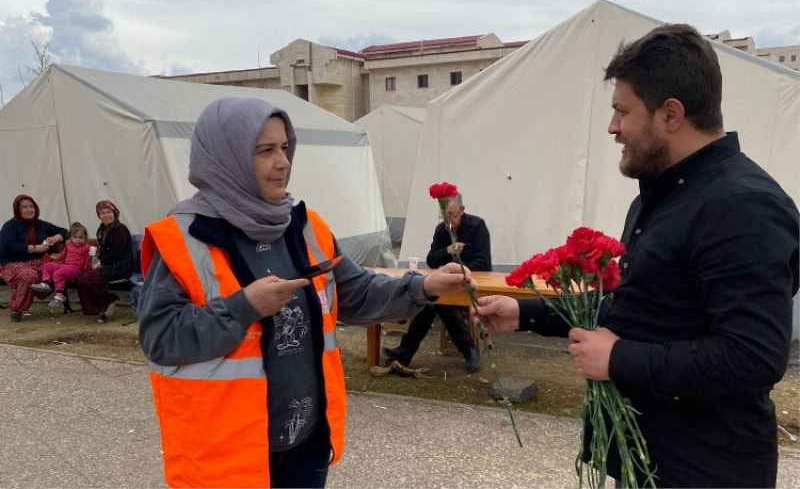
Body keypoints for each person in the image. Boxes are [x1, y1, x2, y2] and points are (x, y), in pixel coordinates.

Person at [475, 24, 799, 488]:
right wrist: (522, 313)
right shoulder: (661, 196)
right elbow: (637, 307)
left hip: (707, 470)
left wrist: (621, 359)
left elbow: (753, 355)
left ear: (670, 114)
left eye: (621, 111)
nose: (612, 127)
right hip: (649, 460)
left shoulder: (741, 205)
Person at [137, 97, 472, 489]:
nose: (282, 162)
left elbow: (355, 292)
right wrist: (243, 307)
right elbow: (160, 339)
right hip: (225, 457)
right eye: (265, 150)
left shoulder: (303, 226)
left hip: (306, 445)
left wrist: (423, 285)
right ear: (226, 157)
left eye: (285, 147)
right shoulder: (183, 238)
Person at [383, 193, 490, 372]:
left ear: (462, 210)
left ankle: (407, 350)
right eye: (444, 215)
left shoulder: (476, 226)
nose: (448, 220)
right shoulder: (442, 230)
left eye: (451, 215)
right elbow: (432, 260)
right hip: (447, 285)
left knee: (436, 302)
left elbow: (484, 263)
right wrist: (447, 251)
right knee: (434, 302)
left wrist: (455, 269)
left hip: (471, 283)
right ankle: (469, 351)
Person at [0, 195, 68, 322]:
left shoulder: (41, 224)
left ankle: (43, 295)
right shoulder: (10, 226)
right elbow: (7, 246)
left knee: (56, 271)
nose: (29, 209)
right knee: (29, 275)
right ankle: (17, 309)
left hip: (37, 262)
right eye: (24, 207)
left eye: (31, 206)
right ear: (17, 209)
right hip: (12, 264)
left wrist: (56, 237)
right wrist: (35, 248)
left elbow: (64, 231)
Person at [74, 200, 133, 323]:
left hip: (120, 266)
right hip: (108, 264)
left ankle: (108, 301)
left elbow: (117, 251)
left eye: (109, 212)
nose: (106, 215)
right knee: (80, 278)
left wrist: (101, 262)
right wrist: (97, 258)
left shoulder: (120, 229)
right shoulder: (102, 230)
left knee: (88, 278)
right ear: (99, 216)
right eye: (102, 213)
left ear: (115, 213)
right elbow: (104, 250)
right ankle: (104, 303)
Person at [31, 222, 93, 308]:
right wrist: (54, 259)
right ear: (71, 237)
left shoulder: (86, 248)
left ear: (85, 237)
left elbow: (87, 262)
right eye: (75, 237)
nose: (78, 239)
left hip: (77, 269)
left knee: (58, 273)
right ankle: (46, 283)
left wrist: (87, 271)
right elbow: (63, 254)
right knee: (48, 265)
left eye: (81, 237)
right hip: (67, 266)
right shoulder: (68, 245)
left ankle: (60, 296)